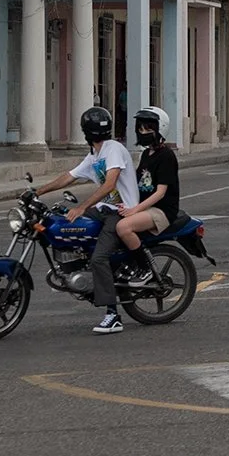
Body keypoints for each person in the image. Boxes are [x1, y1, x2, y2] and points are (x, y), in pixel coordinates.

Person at [33, 105, 138, 335]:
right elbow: (68, 177)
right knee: (62, 223)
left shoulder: (113, 150)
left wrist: (82, 207)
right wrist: (37, 192)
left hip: (120, 211)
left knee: (100, 257)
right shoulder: (94, 155)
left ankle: (113, 315)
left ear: (85, 131)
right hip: (103, 209)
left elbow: (110, 184)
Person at [116, 105, 179, 278]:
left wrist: (133, 210)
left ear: (160, 129)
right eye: (140, 128)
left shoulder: (166, 156)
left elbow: (160, 192)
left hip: (161, 210)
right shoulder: (146, 155)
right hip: (144, 207)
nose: (143, 131)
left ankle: (145, 269)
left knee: (123, 227)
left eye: (148, 128)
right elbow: (136, 183)